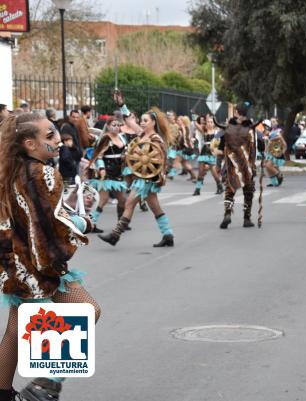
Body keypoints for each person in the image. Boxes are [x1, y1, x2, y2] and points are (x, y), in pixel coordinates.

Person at [0, 113, 101, 401]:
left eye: (55, 133)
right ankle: (43, 386)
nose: (58, 140)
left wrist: (67, 206)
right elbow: (52, 224)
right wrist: (83, 222)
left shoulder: (11, 169)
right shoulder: (42, 173)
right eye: (49, 136)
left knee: (16, 331)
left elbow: (36, 214)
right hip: (37, 267)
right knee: (85, 312)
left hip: (17, 263)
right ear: (29, 144)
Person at [99, 91, 175, 247]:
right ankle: (168, 235)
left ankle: (115, 235)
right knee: (155, 207)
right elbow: (128, 119)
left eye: (145, 121)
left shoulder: (156, 139)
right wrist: (121, 104)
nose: (141, 123)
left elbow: (160, 160)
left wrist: (155, 175)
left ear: (153, 122)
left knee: (129, 204)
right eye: (141, 120)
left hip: (147, 179)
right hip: (140, 177)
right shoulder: (142, 135)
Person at [215, 103, 258, 229]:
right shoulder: (252, 128)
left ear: (237, 112)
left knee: (230, 190)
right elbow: (259, 146)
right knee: (248, 191)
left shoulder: (228, 127)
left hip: (231, 164)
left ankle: (227, 214)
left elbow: (221, 148)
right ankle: (247, 218)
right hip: (247, 165)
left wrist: (219, 164)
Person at [87, 116, 129, 233]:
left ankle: (121, 223)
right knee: (103, 199)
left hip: (118, 172)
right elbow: (98, 156)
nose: (116, 127)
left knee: (122, 199)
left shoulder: (122, 137)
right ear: (108, 126)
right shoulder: (105, 138)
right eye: (113, 125)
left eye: (118, 125)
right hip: (106, 172)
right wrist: (101, 168)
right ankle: (92, 223)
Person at [194, 114, 224, 196]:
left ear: (214, 123)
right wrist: (194, 116)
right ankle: (197, 189)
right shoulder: (204, 130)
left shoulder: (217, 131)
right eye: (208, 122)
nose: (210, 123)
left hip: (211, 152)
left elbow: (222, 142)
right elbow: (196, 124)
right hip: (203, 152)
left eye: (211, 122)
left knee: (214, 172)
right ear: (206, 123)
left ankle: (220, 187)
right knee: (200, 173)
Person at [263, 120, 286, 187]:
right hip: (270, 152)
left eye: (274, 122)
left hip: (275, 152)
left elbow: (280, 138)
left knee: (268, 166)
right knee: (268, 167)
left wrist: (271, 140)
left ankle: (279, 175)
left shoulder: (275, 132)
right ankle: (274, 182)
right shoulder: (271, 132)